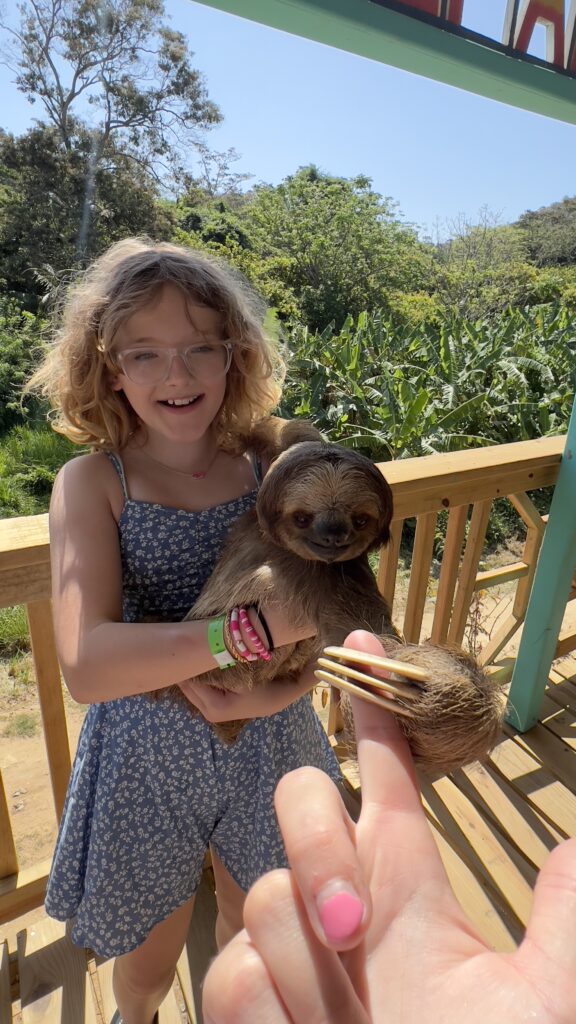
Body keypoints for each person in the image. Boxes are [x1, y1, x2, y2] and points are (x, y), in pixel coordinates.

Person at [30, 238, 342, 1024]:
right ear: (108, 367)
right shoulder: (95, 481)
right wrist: (251, 631)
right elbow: (88, 666)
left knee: (256, 923)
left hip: (271, 734)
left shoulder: (270, 463)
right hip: (144, 751)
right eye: (146, 355)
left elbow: (327, 615)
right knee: (146, 959)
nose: (177, 376)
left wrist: (278, 692)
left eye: (201, 348)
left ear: (234, 357)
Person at [202, 629, 576, 1024]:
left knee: (244, 902)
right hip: (157, 749)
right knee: (152, 967)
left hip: (269, 741)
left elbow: (342, 636)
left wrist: (268, 682)